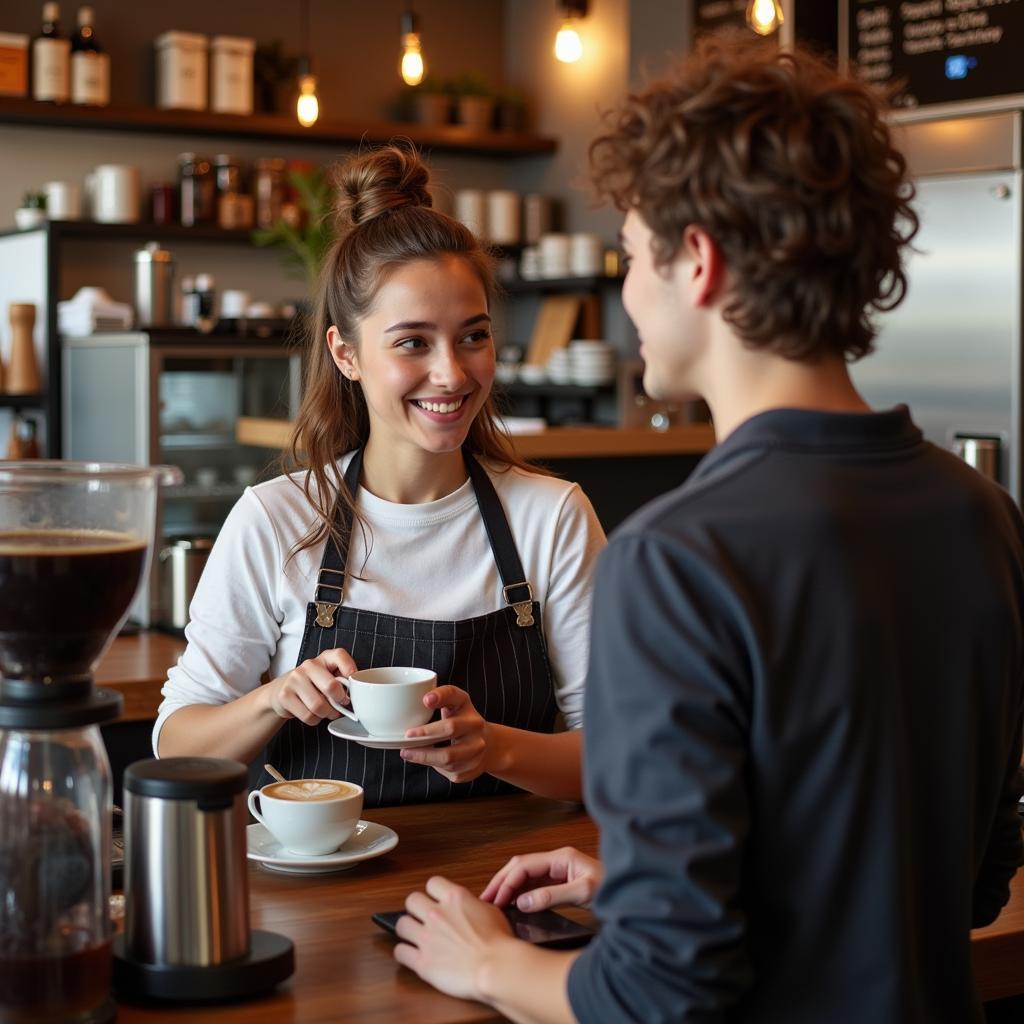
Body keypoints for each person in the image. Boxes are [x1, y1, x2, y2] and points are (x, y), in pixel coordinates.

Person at [393, 36, 1024, 1022]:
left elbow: (660, 997)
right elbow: (961, 879)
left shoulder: (678, 559)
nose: (628, 292)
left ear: (696, 261)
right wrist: (646, 897)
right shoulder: (980, 515)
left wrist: (488, 965)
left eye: (634, 255)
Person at [155, 145, 605, 805]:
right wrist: (276, 698)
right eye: (412, 342)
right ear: (346, 352)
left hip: (501, 887)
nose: (452, 373)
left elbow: (616, 753)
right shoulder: (276, 518)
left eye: (472, 336)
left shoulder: (552, 517)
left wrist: (495, 748)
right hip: (314, 896)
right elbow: (178, 744)